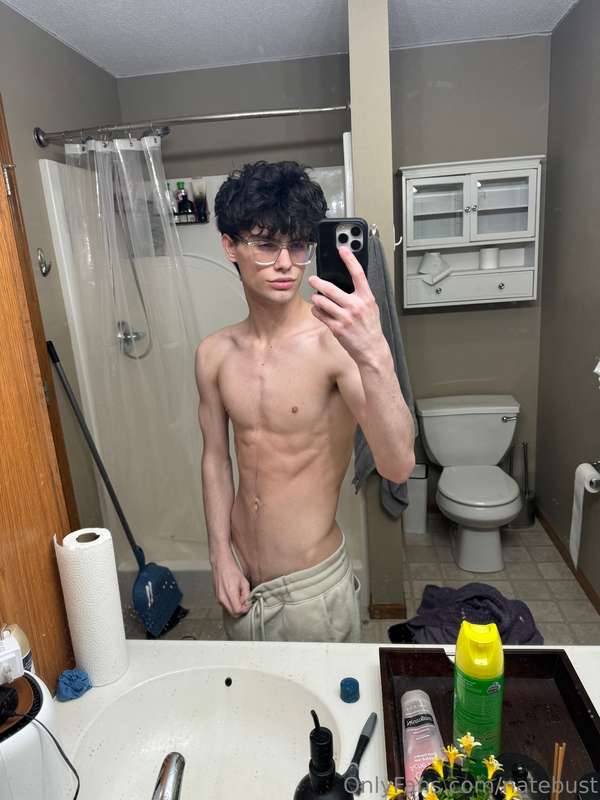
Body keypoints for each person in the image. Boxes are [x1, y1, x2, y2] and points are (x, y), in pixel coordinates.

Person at [195, 161, 415, 642]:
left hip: (312, 591)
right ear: (230, 246)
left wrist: (375, 353)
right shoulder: (214, 354)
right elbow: (216, 460)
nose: (285, 264)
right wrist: (220, 556)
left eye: (297, 246)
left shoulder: (335, 343)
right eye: (265, 245)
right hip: (243, 584)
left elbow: (398, 466)